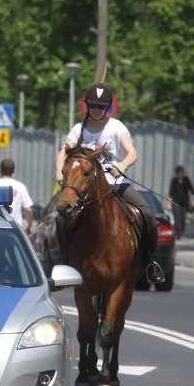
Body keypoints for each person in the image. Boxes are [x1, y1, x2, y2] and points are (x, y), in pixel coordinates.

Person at [54, 82, 164, 283]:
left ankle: (150, 261)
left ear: (108, 108)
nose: (96, 110)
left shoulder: (116, 126)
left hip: (115, 183)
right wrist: (59, 172)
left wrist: (121, 166)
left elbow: (132, 154)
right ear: (87, 105)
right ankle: (66, 260)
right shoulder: (79, 129)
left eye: (101, 107)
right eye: (93, 106)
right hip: (85, 188)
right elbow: (64, 151)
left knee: (147, 213)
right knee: (61, 218)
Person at [0, 158, 34, 235]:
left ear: (0, 169)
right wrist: (29, 226)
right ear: (14, 170)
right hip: (14, 229)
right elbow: (28, 210)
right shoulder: (20, 186)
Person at [167, 165, 194, 240]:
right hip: (176, 202)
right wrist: (169, 203)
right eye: (179, 173)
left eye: (181, 172)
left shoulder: (186, 180)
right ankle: (178, 234)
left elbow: (191, 190)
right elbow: (171, 192)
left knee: (182, 218)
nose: (180, 174)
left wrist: (192, 201)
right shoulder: (174, 181)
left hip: (184, 202)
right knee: (177, 218)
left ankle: (181, 229)